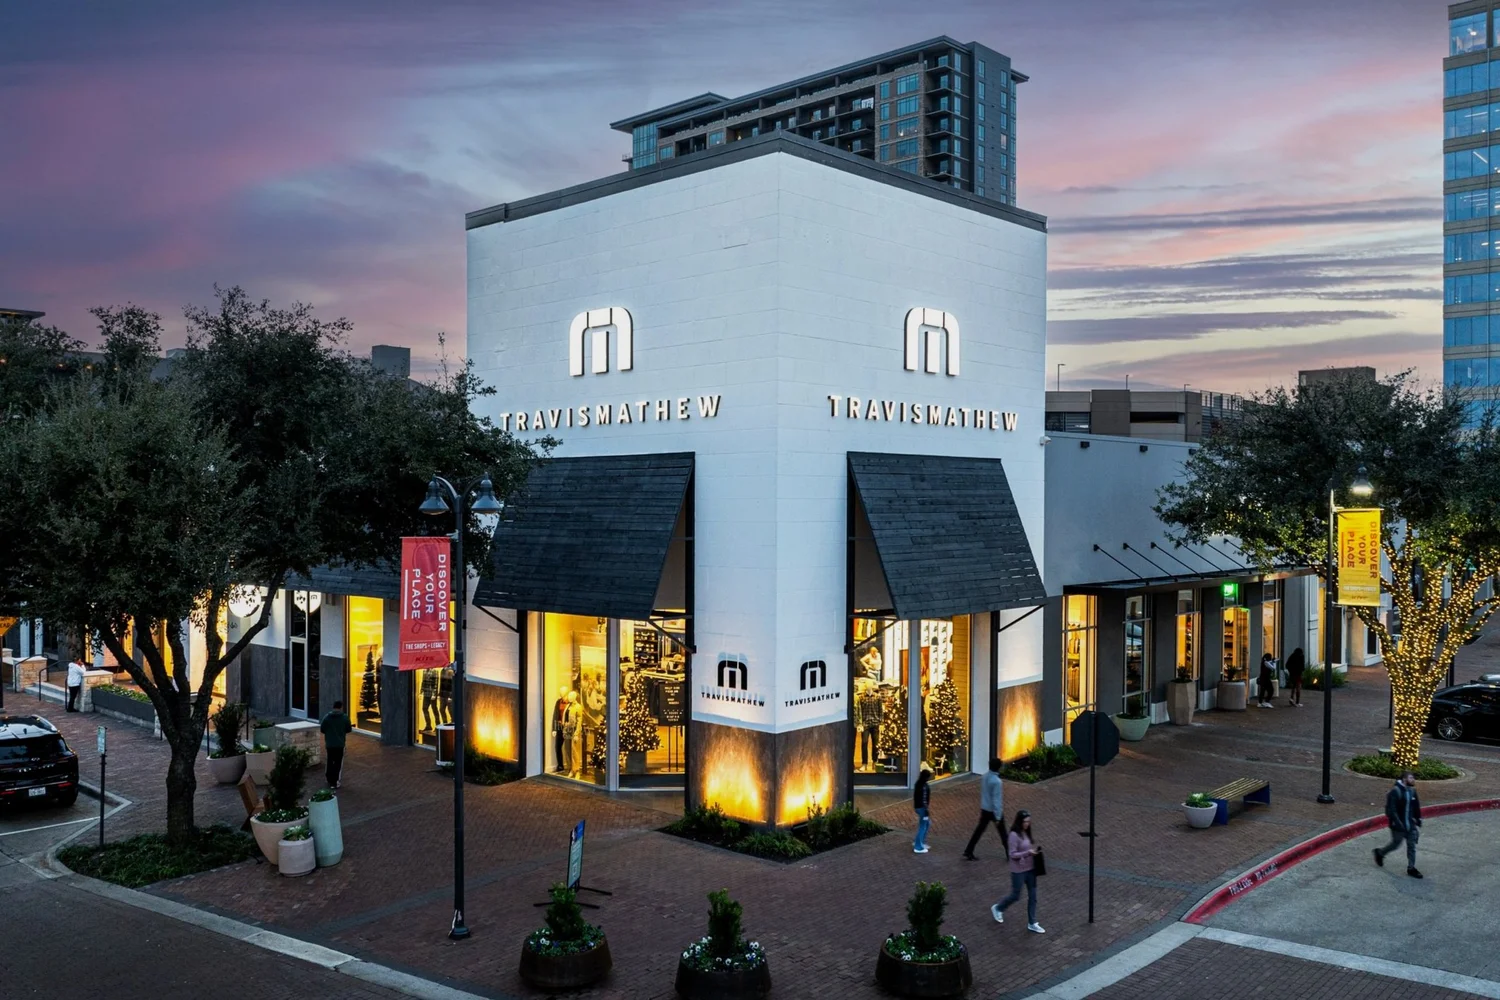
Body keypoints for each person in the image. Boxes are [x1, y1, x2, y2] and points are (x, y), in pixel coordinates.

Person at [991, 809, 1044, 933]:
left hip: (1031, 869)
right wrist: (1028, 853)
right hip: (1019, 871)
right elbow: (1012, 854)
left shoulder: (1026, 832)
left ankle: (1032, 922)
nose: (1027, 824)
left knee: (1033, 896)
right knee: (1015, 895)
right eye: (1025, 821)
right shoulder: (1014, 835)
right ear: (1019, 821)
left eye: (1029, 821)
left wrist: (1034, 853)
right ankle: (998, 908)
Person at [1373, 770, 1423, 878]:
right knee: (1395, 844)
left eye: (1413, 778)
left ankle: (1411, 868)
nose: (1413, 780)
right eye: (1411, 778)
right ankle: (1380, 853)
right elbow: (1392, 810)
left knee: (1412, 846)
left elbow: (1416, 807)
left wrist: (1418, 819)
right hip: (1398, 826)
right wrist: (1398, 823)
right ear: (1405, 779)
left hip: (1410, 824)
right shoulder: (1395, 792)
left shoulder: (1412, 791)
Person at [962, 757, 1005, 860]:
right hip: (993, 811)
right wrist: (998, 816)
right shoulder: (997, 782)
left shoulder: (985, 777)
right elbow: (996, 800)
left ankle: (969, 850)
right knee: (1003, 833)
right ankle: (1010, 854)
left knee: (979, 831)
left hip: (985, 809)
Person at [320, 700, 353, 788]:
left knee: (330, 761)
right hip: (340, 744)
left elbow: (322, 729)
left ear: (333, 707)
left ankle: (328, 778)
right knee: (338, 763)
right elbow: (349, 729)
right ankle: (335, 782)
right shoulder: (345, 718)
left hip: (329, 744)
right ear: (341, 707)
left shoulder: (327, 717)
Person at [912, 765, 933, 854]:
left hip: (918, 807)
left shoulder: (918, 783)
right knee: (923, 826)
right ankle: (918, 846)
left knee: (927, 824)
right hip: (922, 809)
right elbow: (924, 799)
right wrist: (926, 810)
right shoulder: (924, 786)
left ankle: (920, 842)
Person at [551, 686, 569, 772]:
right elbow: (555, 715)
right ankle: (560, 765)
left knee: (568, 747)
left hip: (568, 727)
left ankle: (570, 766)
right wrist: (554, 729)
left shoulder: (570, 702)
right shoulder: (558, 702)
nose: (560, 693)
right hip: (559, 726)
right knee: (557, 746)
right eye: (560, 691)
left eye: (562, 691)